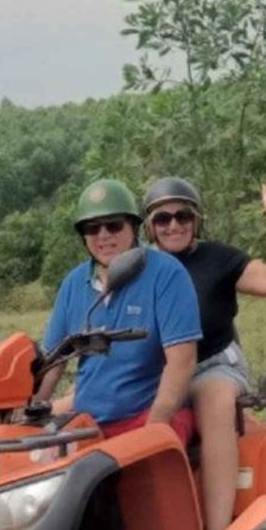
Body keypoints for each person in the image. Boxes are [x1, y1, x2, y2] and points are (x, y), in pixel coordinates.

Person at [142, 173, 266, 530]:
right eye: (163, 219)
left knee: (213, 403)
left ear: (196, 221)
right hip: (161, 372)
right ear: (149, 227)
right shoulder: (141, 269)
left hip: (213, 363)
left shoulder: (218, 259)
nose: (174, 225)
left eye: (183, 216)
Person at [36, 179, 201, 444]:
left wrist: (154, 429)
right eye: (92, 228)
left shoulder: (166, 274)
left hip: (148, 414)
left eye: (113, 225)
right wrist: (29, 413)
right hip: (87, 422)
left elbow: (182, 362)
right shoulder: (74, 283)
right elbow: (52, 363)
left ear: (133, 227)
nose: (103, 235)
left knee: (147, 480)